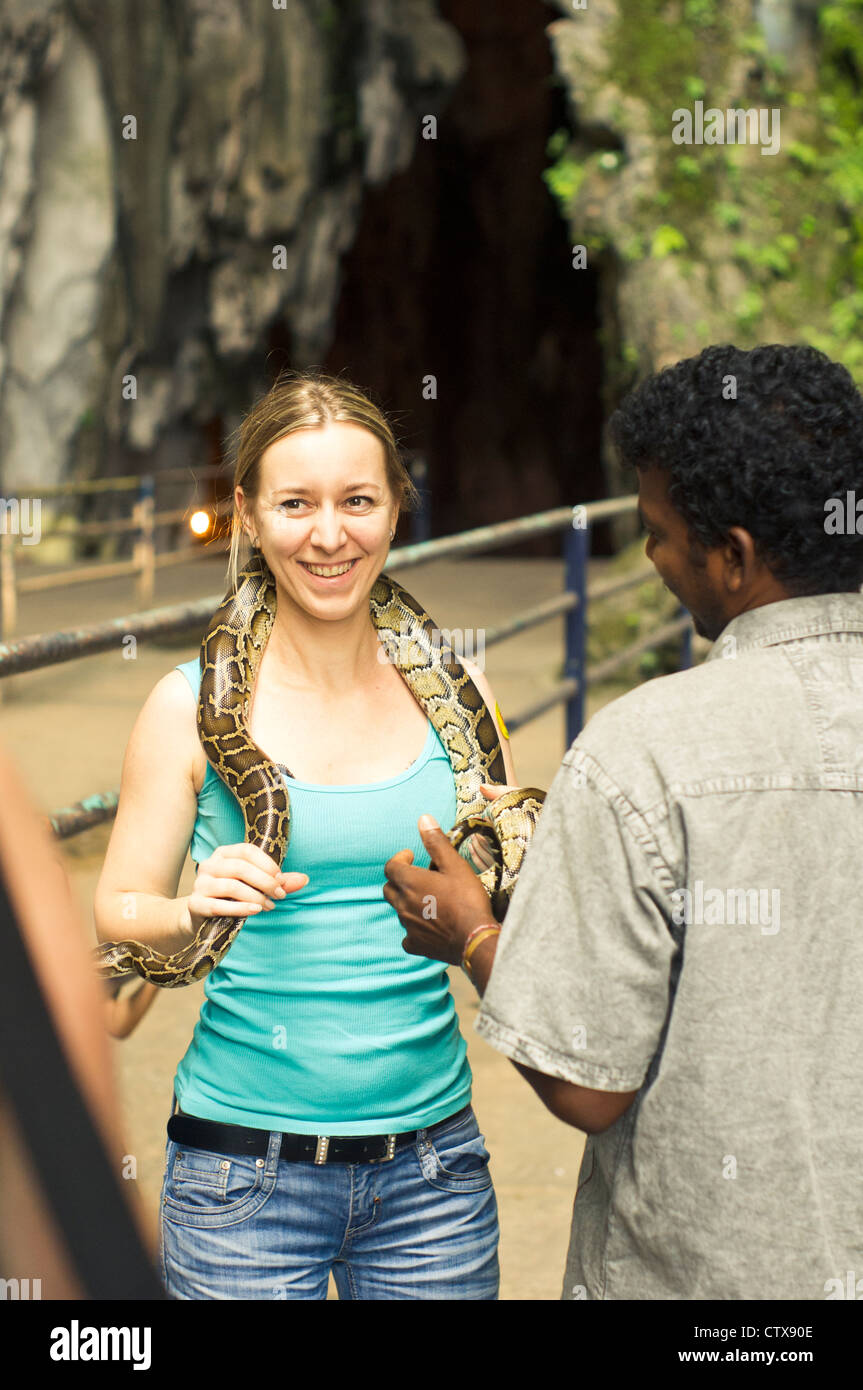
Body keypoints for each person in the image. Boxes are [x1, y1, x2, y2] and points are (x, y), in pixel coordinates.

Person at [383, 343, 863, 1300]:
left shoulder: (645, 749)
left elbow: (585, 1087)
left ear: (731, 554)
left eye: (656, 532)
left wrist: (473, 931)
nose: (649, 560)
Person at [94, 370, 515, 1300]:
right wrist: (184, 909)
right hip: (241, 1175)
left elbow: (506, 870)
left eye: (357, 500)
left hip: (432, 1172)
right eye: (295, 504)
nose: (330, 535)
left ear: (396, 509)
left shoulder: (463, 698)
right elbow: (117, 914)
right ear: (246, 515)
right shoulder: (186, 709)